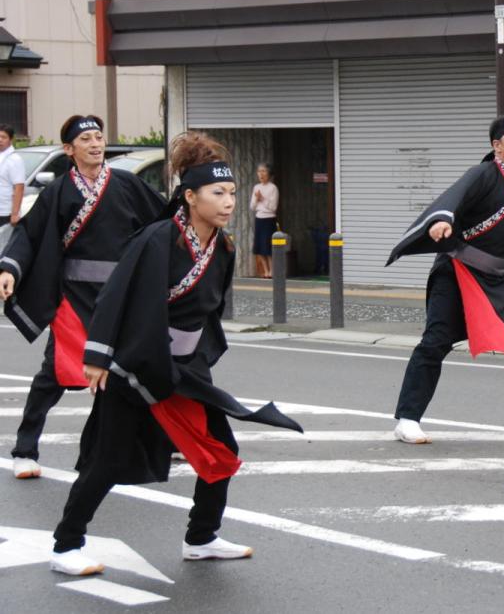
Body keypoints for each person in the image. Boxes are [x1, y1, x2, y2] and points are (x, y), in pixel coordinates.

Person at [46, 132, 303, 576]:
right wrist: (97, 357)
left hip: (184, 370)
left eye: (232, 194)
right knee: (107, 459)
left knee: (220, 447)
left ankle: (201, 537)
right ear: (189, 196)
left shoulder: (222, 247)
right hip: (136, 366)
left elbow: (210, 313)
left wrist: (200, 360)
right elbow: (115, 296)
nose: (228, 202)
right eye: (217, 193)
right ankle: (66, 544)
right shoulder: (157, 239)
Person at [0, 115, 163, 480]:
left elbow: (163, 223)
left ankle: (151, 443)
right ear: (69, 150)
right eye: (85, 139)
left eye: (98, 137)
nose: (95, 143)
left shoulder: (126, 184)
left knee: (133, 372)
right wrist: (9, 268)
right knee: (54, 374)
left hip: (120, 298)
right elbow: (28, 234)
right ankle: (24, 450)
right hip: (72, 297)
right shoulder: (58, 191)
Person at [387, 112, 504, 443]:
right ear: (497, 146)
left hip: (498, 281)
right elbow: (454, 197)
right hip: (458, 273)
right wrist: (442, 220)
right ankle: (407, 417)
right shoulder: (482, 175)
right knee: (435, 341)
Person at [250, 162, 278, 279]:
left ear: (269, 174)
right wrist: (257, 199)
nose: (261, 174)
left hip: (269, 219)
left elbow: (273, 207)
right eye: (259, 171)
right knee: (259, 247)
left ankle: (272, 271)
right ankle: (265, 271)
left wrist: (263, 199)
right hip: (259, 219)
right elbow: (252, 207)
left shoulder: (273, 188)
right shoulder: (256, 187)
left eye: (263, 171)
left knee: (268, 247)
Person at [0, 124, 25, 252]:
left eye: (3, 137)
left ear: (10, 139)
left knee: (3, 246)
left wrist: (15, 214)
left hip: (5, 212)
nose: (0, 140)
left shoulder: (14, 159)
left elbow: (19, 187)